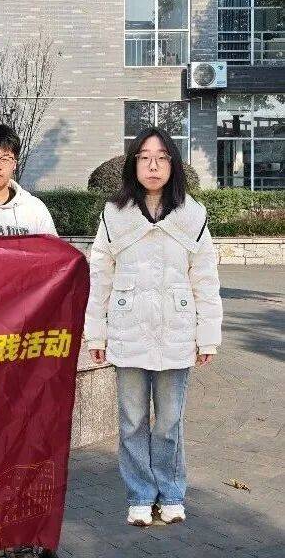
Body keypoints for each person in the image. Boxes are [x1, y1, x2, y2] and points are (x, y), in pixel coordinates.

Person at [84, 126, 222, 528]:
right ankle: (141, 495)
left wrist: (207, 336)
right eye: (144, 158)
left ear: (173, 165)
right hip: (127, 330)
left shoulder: (192, 216)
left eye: (162, 158)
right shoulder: (114, 215)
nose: (153, 166)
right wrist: (97, 333)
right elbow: (100, 277)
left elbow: (205, 279)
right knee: (131, 422)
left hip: (176, 332)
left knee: (169, 423)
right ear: (134, 165)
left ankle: (172, 492)